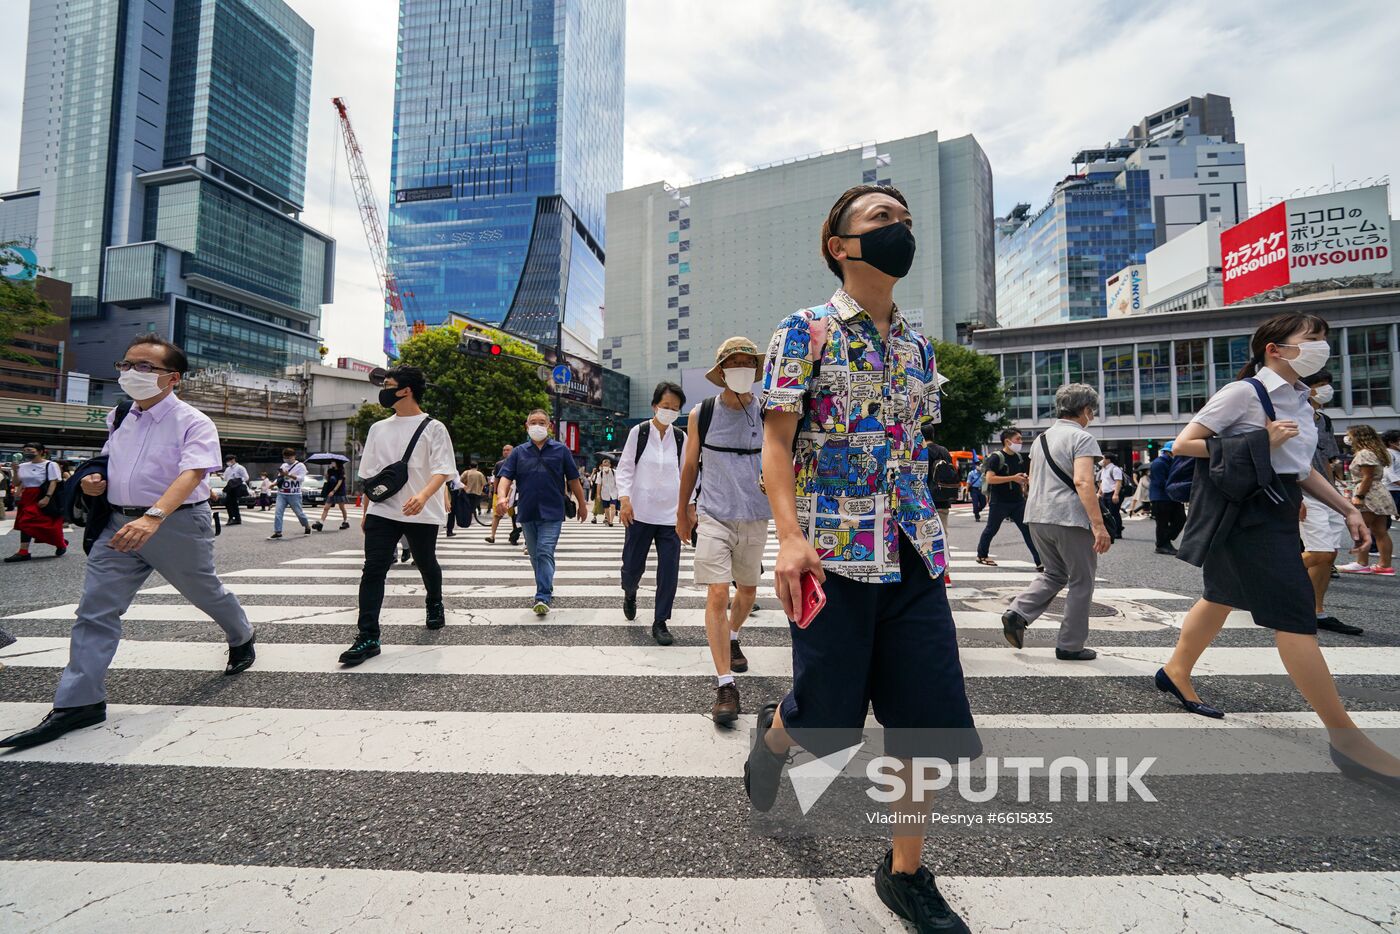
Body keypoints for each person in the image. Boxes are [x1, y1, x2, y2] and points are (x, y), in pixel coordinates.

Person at [745, 184, 976, 932]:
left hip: (912, 550)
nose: (899, 228)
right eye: (881, 219)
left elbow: (915, 448)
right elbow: (775, 445)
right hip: (833, 552)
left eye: (905, 219)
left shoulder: (919, 346)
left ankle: (904, 873)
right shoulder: (803, 332)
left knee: (928, 720)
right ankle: (776, 733)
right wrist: (788, 536)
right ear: (840, 244)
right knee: (828, 726)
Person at [1160, 311, 1399, 791]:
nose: (1321, 348)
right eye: (1312, 339)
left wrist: (1346, 509)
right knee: (1295, 617)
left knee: (1221, 595)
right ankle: (1346, 740)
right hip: (1249, 516)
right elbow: (1184, 443)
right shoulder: (1246, 392)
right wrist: (1257, 440)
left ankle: (1175, 670)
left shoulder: (1302, 400)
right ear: (1275, 349)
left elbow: (1299, 468)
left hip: (1274, 507)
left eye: (1323, 340)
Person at [1, 334, 255, 750]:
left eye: (144, 367)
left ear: (172, 378)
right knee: (95, 610)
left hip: (175, 524)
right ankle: (79, 702)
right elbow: (109, 459)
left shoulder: (193, 421)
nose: (131, 374)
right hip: (118, 524)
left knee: (204, 591)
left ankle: (241, 635)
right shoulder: (119, 415)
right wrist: (94, 482)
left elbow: (193, 474)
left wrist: (154, 517)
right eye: (126, 365)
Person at [676, 337, 771, 723]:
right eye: (735, 363)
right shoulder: (704, 412)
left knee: (746, 591)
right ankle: (725, 684)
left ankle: (732, 635)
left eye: (749, 362)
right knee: (717, 592)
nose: (742, 368)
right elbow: (690, 465)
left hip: (755, 514)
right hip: (714, 514)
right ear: (722, 372)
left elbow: (783, 459)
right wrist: (682, 511)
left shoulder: (768, 410)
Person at [338, 366, 457, 667]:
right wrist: (367, 510)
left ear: (406, 390)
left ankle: (434, 600)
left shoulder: (434, 427)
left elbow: (443, 469)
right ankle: (367, 636)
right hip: (384, 509)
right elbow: (369, 477)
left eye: (389, 384)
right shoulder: (378, 428)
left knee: (426, 561)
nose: (385, 390)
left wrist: (424, 495)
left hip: (421, 510)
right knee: (373, 569)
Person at [1000, 384, 1112, 661]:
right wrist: (1098, 526)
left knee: (1054, 573)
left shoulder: (1042, 439)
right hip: (1069, 518)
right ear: (1085, 410)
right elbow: (1083, 481)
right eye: (1092, 412)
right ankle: (1070, 645)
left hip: (1037, 515)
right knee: (1081, 580)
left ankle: (1018, 612)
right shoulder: (1082, 437)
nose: (1092, 417)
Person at [495, 410, 588, 615]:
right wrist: (502, 496)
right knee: (536, 555)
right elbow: (505, 478)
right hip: (527, 510)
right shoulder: (518, 452)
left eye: (542, 422)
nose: (538, 426)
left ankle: (542, 595)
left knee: (545, 550)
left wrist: (582, 503)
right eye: (533, 422)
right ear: (526, 426)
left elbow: (573, 479)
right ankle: (546, 584)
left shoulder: (561, 450)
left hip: (553, 510)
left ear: (550, 427)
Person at [617, 382, 687, 646]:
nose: (670, 412)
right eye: (665, 407)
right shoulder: (640, 432)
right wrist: (625, 500)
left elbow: (688, 474)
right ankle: (630, 591)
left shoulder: (681, 437)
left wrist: (688, 509)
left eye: (675, 409)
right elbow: (625, 468)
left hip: (670, 518)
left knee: (669, 571)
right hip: (640, 513)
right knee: (633, 565)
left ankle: (660, 621)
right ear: (654, 406)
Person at [1297, 375, 1362, 634]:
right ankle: (1256, 580)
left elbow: (1326, 460)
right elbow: (1282, 458)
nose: (1326, 389)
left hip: (1325, 492)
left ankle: (1316, 611)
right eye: (1319, 384)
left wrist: (1337, 497)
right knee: (1320, 552)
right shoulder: (1291, 413)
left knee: (1330, 555)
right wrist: (1295, 496)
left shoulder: (1323, 420)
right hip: (1302, 489)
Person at [974, 429, 1043, 570]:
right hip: (999, 501)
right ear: (1007, 441)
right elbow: (990, 479)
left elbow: (1018, 476)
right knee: (992, 529)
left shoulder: (1018, 457)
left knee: (1028, 530)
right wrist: (1013, 478)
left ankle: (1039, 562)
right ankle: (982, 555)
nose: (1021, 442)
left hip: (1017, 501)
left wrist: (1023, 480)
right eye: (1018, 439)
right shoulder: (995, 457)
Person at [1336, 424, 1397, 576]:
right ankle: (1385, 565)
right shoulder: (1376, 451)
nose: (1348, 438)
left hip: (1368, 494)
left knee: (1362, 529)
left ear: (1359, 437)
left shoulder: (1364, 453)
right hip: (1379, 493)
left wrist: (1359, 496)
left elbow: (1367, 477)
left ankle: (1361, 563)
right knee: (1380, 531)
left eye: (1350, 435)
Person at [4, 441, 67, 562]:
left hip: (43, 495)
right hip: (27, 496)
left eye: (31, 451)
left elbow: (53, 481)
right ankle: (23, 551)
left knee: (47, 524)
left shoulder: (51, 464)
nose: (27, 453)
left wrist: (47, 497)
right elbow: (17, 483)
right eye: (25, 451)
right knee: (24, 522)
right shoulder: (22, 466)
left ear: (41, 452)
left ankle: (60, 543)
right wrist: (15, 471)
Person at [1149, 444, 1185, 555]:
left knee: (1181, 519)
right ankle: (1162, 545)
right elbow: (1160, 482)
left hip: (1171, 496)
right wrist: (1177, 487)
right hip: (1160, 497)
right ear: (1169, 452)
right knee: (1162, 523)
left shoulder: (1171, 462)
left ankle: (1164, 541)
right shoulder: (1159, 463)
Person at [268, 447, 311, 539]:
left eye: (289, 457)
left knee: (299, 513)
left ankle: (307, 526)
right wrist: (273, 484)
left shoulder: (300, 466)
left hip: (294, 494)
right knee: (278, 512)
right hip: (282, 493)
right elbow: (280, 478)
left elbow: (301, 478)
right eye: (285, 457)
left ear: (294, 456)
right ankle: (278, 532)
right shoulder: (283, 465)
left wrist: (289, 475)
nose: (287, 459)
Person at [923, 423, 959, 531]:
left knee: (926, 536)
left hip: (926, 499)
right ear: (933, 434)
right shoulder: (944, 450)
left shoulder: (920, 451)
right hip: (943, 498)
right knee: (943, 533)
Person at [484, 444, 520, 545]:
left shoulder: (518, 462)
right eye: (504, 450)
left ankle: (514, 536)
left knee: (514, 516)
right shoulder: (499, 464)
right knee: (496, 515)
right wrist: (494, 492)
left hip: (514, 493)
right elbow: (496, 479)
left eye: (508, 450)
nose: (505, 452)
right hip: (500, 494)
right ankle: (492, 536)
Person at [1097, 452, 1125, 541]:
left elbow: (1118, 482)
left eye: (1103, 458)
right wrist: (1099, 492)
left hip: (1112, 493)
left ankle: (1118, 532)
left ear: (1108, 460)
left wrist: (1116, 494)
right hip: (1105, 494)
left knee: (1114, 513)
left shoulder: (1115, 469)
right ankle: (1110, 530)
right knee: (1106, 513)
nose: (1101, 461)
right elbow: (1102, 482)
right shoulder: (1104, 469)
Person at [220, 455, 248, 526]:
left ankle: (234, 518)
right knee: (229, 503)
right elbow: (225, 478)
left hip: (237, 487)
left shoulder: (240, 468)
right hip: (230, 486)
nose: (228, 463)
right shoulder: (228, 469)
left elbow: (246, 477)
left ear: (233, 460)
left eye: (228, 461)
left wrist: (238, 480)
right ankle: (234, 518)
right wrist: (222, 477)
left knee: (233, 503)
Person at [596, 456, 620, 526]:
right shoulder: (600, 473)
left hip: (613, 493)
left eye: (607, 465)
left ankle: (611, 522)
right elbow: (599, 484)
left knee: (613, 506)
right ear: (602, 465)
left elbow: (618, 483)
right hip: (604, 493)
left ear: (610, 465)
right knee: (606, 508)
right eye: (604, 465)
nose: (605, 466)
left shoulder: (614, 472)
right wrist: (598, 494)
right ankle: (609, 520)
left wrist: (619, 493)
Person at [1384, 429, 1400, 517]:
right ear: (1391, 442)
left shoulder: (1398, 453)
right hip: (1391, 490)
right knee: (1386, 518)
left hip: (1397, 489)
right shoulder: (1388, 453)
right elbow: (1389, 473)